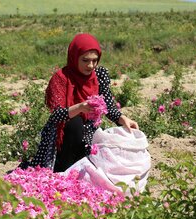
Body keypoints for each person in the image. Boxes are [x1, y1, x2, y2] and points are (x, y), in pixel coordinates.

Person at [19, 33, 139, 172]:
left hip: (89, 132)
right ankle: (63, 169)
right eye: (85, 60)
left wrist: (122, 118)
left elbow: (107, 105)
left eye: (95, 60)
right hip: (63, 136)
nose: (90, 65)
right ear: (74, 57)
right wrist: (81, 107)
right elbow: (56, 115)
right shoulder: (61, 78)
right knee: (75, 123)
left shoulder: (100, 74)